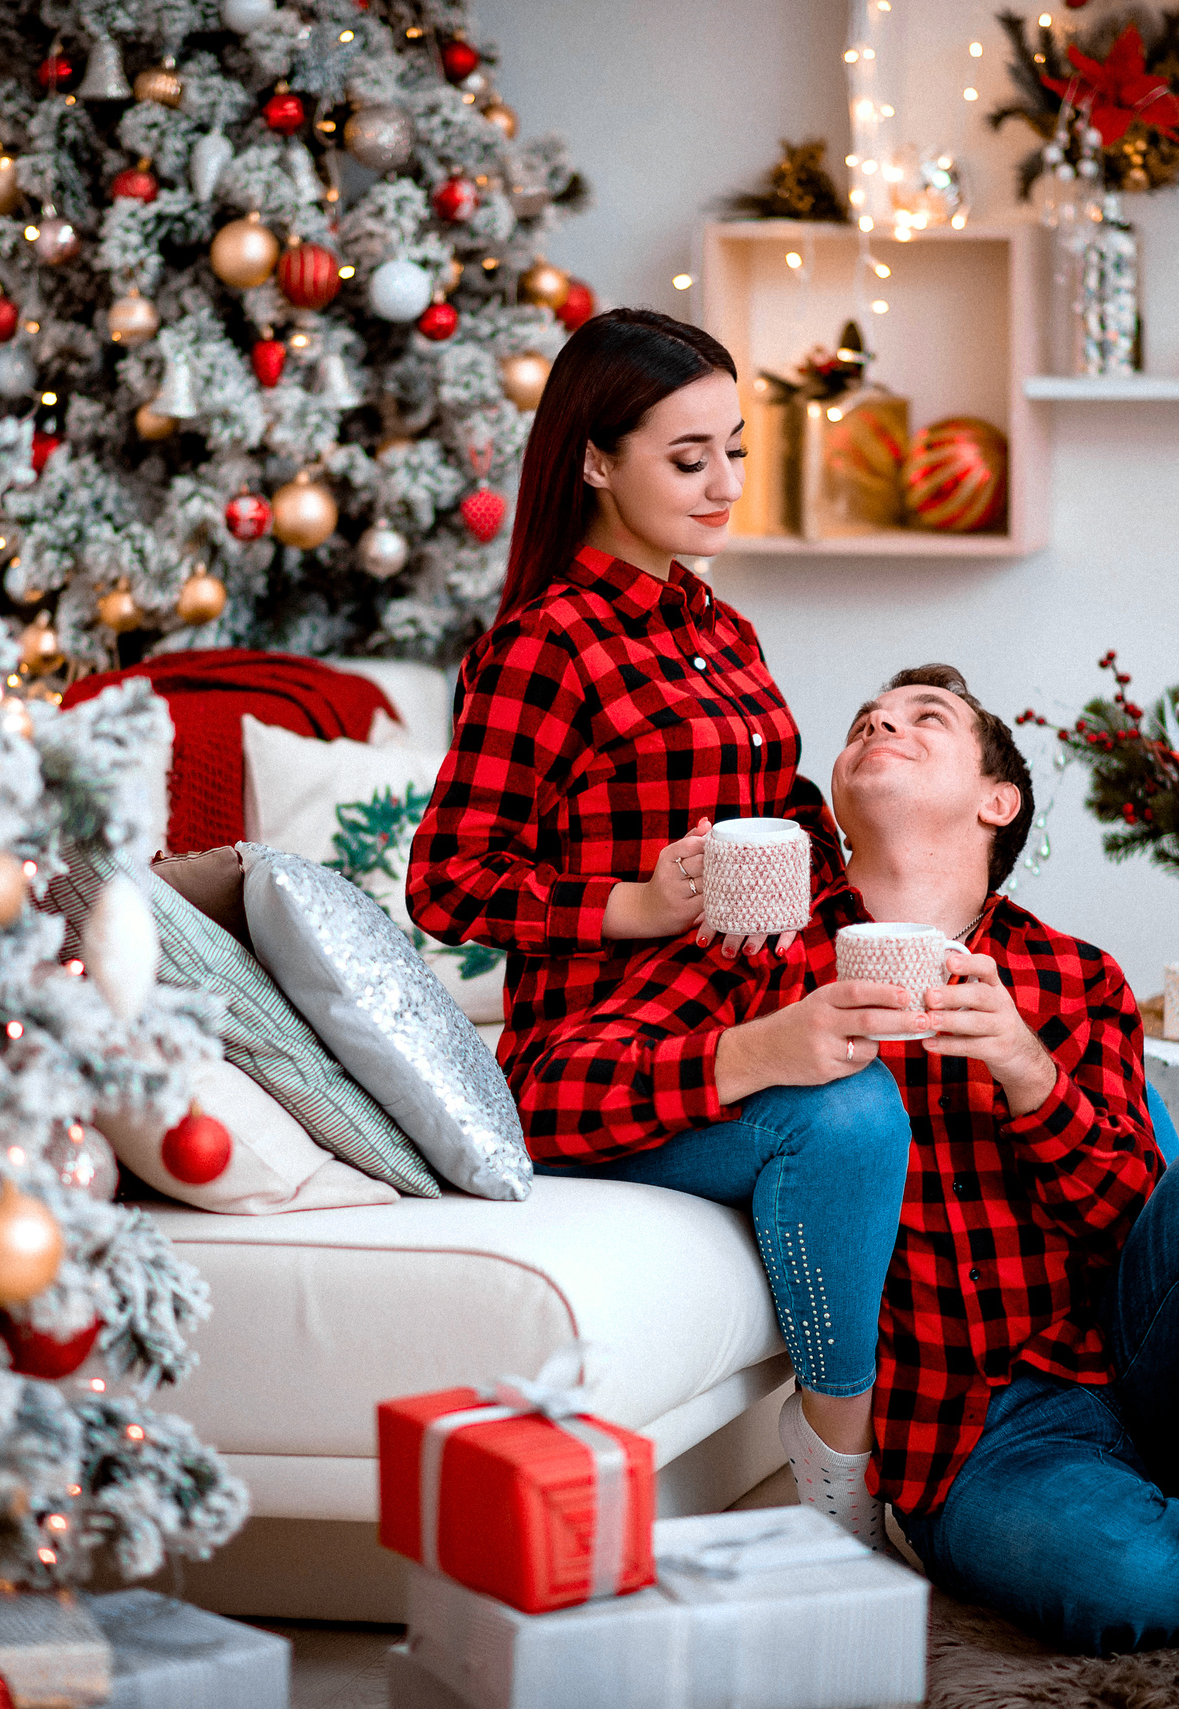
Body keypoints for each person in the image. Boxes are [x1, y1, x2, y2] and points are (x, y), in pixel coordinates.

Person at [515, 664, 1179, 1675]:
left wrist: (1028, 1074)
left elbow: (1137, 1225)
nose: (880, 724)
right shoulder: (766, 956)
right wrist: (753, 1053)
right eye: (864, 720)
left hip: (1135, 1368)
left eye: (923, 717)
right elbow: (544, 1095)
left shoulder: (1071, 972)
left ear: (996, 799)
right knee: (1118, 1575)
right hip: (971, 1444)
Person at [407, 309, 914, 1544]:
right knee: (844, 1115)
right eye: (689, 459)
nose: (725, 484)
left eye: (734, 449)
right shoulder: (538, 648)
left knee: (1006, 1026)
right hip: (600, 1057)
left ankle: (1152, 1427)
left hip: (752, 994)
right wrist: (633, 903)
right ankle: (836, 1464)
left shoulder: (717, 626)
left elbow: (776, 807)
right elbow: (447, 884)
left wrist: (864, 901)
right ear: (595, 458)